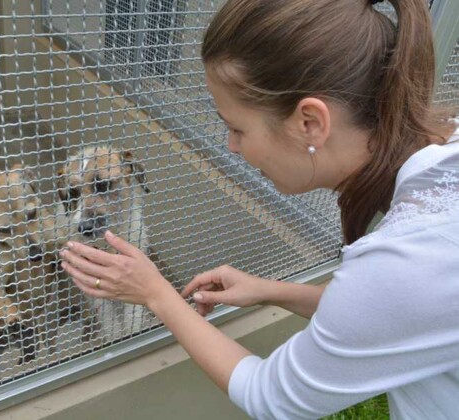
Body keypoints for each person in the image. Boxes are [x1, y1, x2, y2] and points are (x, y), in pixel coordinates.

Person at [59, 0, 459, 417]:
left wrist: (155, 293)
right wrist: (271, 290)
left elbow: (272, 397)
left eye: (237, 127)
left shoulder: (410, 256)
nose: (231, 146)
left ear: (310, 123)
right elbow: (389, 309)